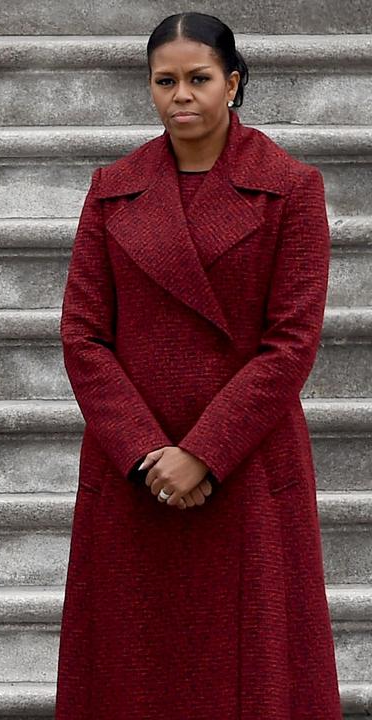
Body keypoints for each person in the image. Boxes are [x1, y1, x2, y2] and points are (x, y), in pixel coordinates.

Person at [56, 12, 340, 718]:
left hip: (244, 467)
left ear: (233, 82)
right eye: (165, 81)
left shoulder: (290, 187)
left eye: (199, 79)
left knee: (249, 670)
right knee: (133, 670)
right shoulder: (112, 186)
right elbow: (83, 334)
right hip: (135, 472)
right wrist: (149, 450)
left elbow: (291, 343)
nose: (181, 95)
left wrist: (204, 454)